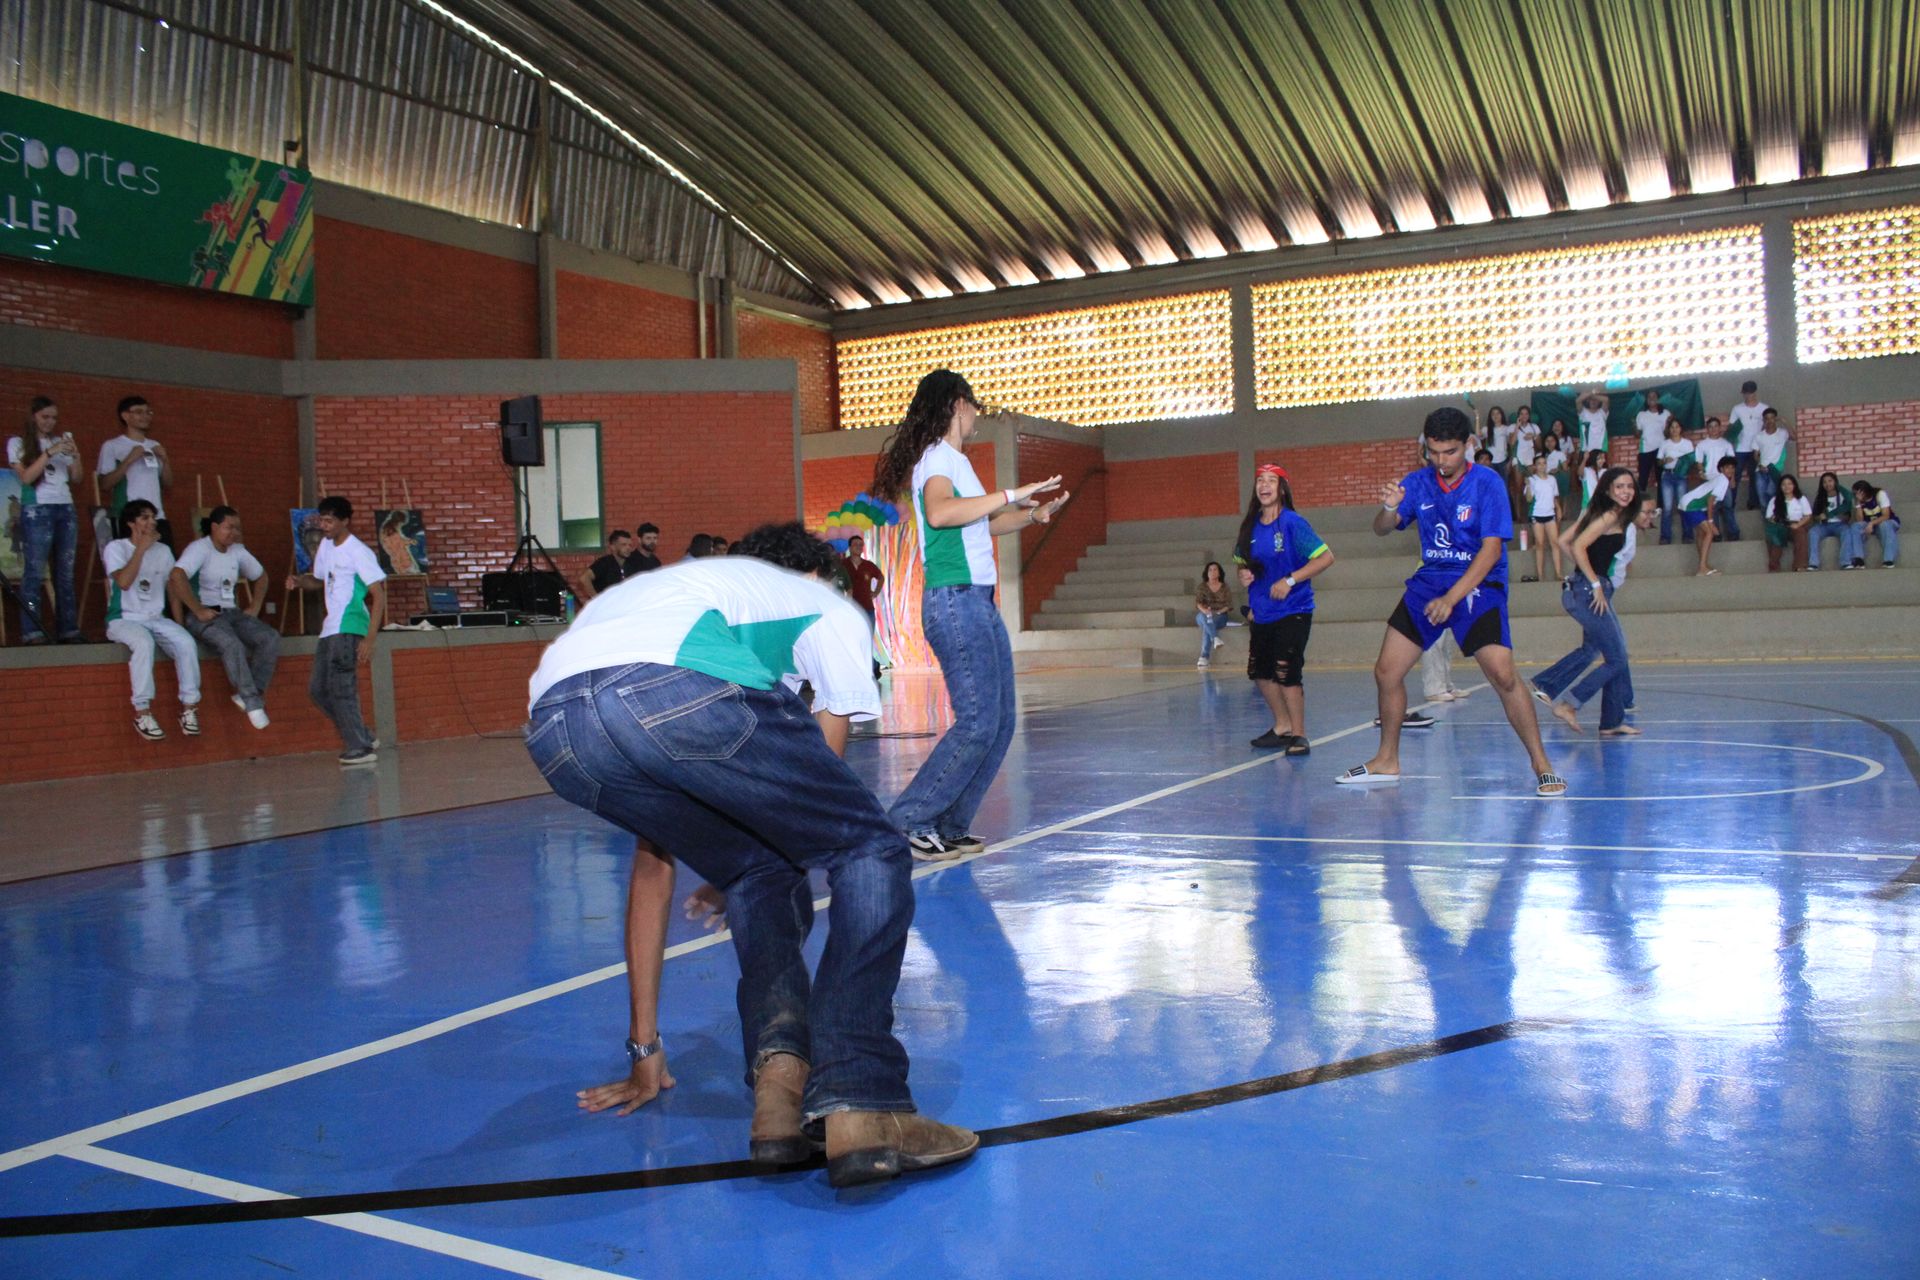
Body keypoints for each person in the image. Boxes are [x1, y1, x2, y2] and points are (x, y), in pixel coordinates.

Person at [527, 522, 978, 1188]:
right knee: (872, 847)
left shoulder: (684, 598)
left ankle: (778, 1094)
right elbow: (822, 796)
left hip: (557, 728)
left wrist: (645, 1049)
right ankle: (861, 1098)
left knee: (757, 871)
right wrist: (782, 837)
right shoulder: (828, 604)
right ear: (816, 574)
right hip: (671, 688)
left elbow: (653, 874)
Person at [872, 369, 1066, 861]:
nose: (978, 414)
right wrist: (1010, 493)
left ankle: (950, 823)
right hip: (956, 602)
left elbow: (980, 522)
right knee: (978, 720)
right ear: (959, 404)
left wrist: (1030, 514)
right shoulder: (939, 459)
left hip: (976, 601)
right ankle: (910, 820)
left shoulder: (955, 461)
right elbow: (940, 513)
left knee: (999, 721)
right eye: (975, 405)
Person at [1339, 407, 1563, 796]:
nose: (1441, 461)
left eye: (1450, 452)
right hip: (1429, 583)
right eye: (1434, 452)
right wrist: (1390, 507)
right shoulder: (1418, 482)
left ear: (1469, 446)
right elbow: (1381, 529)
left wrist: (1451, 599)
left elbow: (1492, 550)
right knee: (1386, 672)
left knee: (1504, 675)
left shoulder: (1488, 484)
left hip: (1478, 585)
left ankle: (1542, 763)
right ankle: (1387, 760)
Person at [1529, 469, 1642, 737]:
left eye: (1629, 486)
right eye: (1619, 487)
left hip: (1591, 586)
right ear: (1607, 490)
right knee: (1617, 658)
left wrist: (1584, 573)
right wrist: (1592, 582)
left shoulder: (1607, 514)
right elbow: (1578, 546)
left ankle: (1610, 721)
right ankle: (1569, 704)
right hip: (1591, 591)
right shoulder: (1609, 516)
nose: (1626, 491)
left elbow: (1565, 541)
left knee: (1604, 652)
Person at [1234, 464, 1333, 752]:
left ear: (1282, 488)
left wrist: (1290, 580)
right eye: (1260, 481)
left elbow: (1325, 557)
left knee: (1286, 671)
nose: (1264, 485)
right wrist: (1244, 573)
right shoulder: (1250, 527)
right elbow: (1241, 560)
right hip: (1262, 611)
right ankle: (1282, 725)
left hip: (1294, 609)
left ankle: (1299, 734)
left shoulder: (1293, 523)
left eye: (1271, 480)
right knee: (1261, 673)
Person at [286, 496, 385, 765]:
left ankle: (359, 747)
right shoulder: (326, 547)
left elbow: (378, 594)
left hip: (349, 624)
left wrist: (370, 637)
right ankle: (361, 734)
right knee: (318, 689)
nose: (324, 526)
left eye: (330, 520)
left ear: (345, 521)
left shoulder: (358, 551)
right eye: (322, 520)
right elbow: (318, 581)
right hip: (330, 627)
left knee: (342, 688)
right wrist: (299, 581)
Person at [171, 505, 277, 728]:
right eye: (229, 528)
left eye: (237, 529)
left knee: (270, 637)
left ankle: (251, 693)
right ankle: (252, 703)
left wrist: (256, 605)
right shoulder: (200, 548)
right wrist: (197, 608)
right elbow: (177, 575)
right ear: (214, 527)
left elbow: (261, 576)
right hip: (206, 615)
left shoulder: (238, 551)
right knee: (232, 644)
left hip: (233, 613)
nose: (234, 533)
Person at [103, 499, 201, 740]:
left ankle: (189, 708)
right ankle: (142, 711)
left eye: (153, 517)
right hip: (124, 618)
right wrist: (141, 549)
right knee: (144, 643)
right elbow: (124, 582)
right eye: (144, 518)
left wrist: (177, 623)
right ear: (130, 523)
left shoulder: (164, 551)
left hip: (156, 617)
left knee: (186, 643)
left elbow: (172, 589)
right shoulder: (116, 548)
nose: (152, 522)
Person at [6, 396, 85, 643]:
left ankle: (68, 629)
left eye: (54, 418)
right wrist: (49, 452)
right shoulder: (18, 443)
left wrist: (75, 454)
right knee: (35, 570)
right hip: (37, 508)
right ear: (33, 417)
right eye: (45, 417)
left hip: (65, 507)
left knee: (66, 571)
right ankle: (32, 630)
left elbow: (78, 478)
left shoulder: (59, 442)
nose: (50, 422)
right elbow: (27, 477)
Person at [95, 395, 174, 546]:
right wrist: (129, 460)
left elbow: (168, 483)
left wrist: (165, 459)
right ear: (125, 416)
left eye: (148, 412)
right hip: (129, 517)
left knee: (164, 562)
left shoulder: (155, 445)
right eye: (139, 412)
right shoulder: (112, 446)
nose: (145, 416)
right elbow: (105, 484)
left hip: (157, 516)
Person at [1678, 458, 1733, 576]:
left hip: (1688, 503)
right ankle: (1702, 568)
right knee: (1709, 533)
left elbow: (1705, 478)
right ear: (1722, 469)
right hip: (1692, 505)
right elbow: (1710, 500)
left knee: (1701, 533)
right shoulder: (1723, 480)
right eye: (1727, 467)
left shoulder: (1719, 477)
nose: (1731, 470)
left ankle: (1703, 565)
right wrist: (1711, 521)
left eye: (1732, 467)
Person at [1692, 416, 1738, 541]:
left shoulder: (1726, 444)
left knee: (1728, 507)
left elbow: (1732, 464)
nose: (1713, 429)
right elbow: (1699, 462)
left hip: (1724, 480)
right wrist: (1701, 472)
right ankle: (1716, 535)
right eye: (1710, 427)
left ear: (1720, 428)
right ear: (1707, 429)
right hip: (1709, 480)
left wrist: (1732, 479)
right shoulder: (1702, 445)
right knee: (1713, 508)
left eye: (1715, 426)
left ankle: (1733, 534)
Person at [574, 529, 646, 603]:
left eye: (630, 545)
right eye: (623, 545)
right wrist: (597, 600)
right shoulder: (604, 563)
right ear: (613, 547)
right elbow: (584, 579)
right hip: (607, 609)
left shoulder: (633, 564)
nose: (628, 548)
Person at [1522, 453, 1562, 583]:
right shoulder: (1532, 480)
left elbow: (1554, 497)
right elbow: (1528, 499)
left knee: (1555, 543)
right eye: (1539, 464)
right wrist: (1528, 485)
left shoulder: (1552, 479)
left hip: (1550, 513)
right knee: (1540, 544)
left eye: (1544, 463)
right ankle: (1540, 575)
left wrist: (1558, 509)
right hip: (1537, 514)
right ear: (1535, 466)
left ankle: (1558, 573)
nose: (1542, 466)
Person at [1728, 381, 1768, 510]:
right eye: (1745, 393)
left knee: (1754, 477)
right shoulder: (1737, 409)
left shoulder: (1764, 408)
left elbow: (1766, 428)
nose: (1747, 396)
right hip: (1740, 449)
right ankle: (1731, 504)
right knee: (1735, 477)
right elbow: (1731, 427)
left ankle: (1753, 504)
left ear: (1754, 393)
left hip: (1756, 449)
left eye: (1750, 393)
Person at [1654, 418, 1694, 545]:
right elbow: (1658, 461)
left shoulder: (1687, 443)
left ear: (1681, 429)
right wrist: (1665, 461)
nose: (1674, 429)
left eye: (1677, 427)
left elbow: (1691, 460)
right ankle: (1665, 536)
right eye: (1672, 427)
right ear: (1668, 430)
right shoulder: (1665, 444)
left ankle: (1688, 535)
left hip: (1681, 476)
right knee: (1667, 508)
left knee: (1683, 505)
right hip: (1667, 476)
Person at [1751, 408, 1795, 517]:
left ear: (1775, 419)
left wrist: (1785, 421)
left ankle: (1775, 518)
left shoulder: (1782, 433)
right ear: (1764, 420)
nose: (1769, 421)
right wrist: (1759, 464)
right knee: (1762, 498)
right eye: (1766, 419)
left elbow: (1794, 437)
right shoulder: (1759, 436)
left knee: (1771, 494)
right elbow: (1755, 455)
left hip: (1775, 470)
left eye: (1772, 418)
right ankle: (1767, 522)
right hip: (1761, 470)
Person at [1846, 481, 1900, 568]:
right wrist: (1858, 504)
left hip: (1887, 522)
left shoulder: (1880, 494)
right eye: (1855, 494)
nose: (1857, 495)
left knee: (1885, 525)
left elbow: (1886, 515)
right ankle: (1859, 559)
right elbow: (1860, 520)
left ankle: (1888, 560)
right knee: (1855, 527)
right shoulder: (1857, 500)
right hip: (1869, 524)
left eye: (1858, 493)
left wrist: (1872, 523)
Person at [1766, 474, 1813, 572]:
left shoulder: (1801, 499)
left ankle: (1800, 565)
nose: (1787, 486)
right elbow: (1769, 517)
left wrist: (1797, 525)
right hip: (1780, 525)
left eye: (1789, 484)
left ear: (1794, 485)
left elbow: (1807, 515)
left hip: (1797, 524)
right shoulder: (1774, 500)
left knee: (1801, 535)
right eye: (1784, 484)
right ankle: (1774, 567)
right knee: (1775, 536)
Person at [1807, 472, 1853, 570]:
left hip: (1840, 525)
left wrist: (1842, 516)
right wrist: (1820, 517)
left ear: (1835, 482)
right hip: (1824, 525)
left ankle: (1846, 562)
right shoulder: (1820, 497)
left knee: (1847, 531)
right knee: (1813, 532)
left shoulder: (1843, 495)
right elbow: (1814, 516)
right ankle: (1813, 563)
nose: (1827, 484)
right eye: (1824, 482)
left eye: (1830, 481)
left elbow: (1849, 515)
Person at [1194, 561, 1232, 668]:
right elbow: (1198, 603)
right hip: (1204, 614)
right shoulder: (1202, 587)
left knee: (1208, 624)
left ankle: (1204, 657)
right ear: (1207, 573)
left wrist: (1218, 612)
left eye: (1215, 569)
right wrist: (1205, 611)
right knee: (1203, 618)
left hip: (1220, 616)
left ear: (1219, 573)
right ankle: (1215, 638)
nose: (1212, 572)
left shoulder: (1225, 587)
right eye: (1210, 570)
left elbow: (1229, 605)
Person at [1634, 388, 1672, 495]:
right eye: (1649, 397)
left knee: (1661, 479)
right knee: (1643, 479)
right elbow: (1637, 434)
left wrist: (1669, 423)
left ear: (1658, 399)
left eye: (1654, 396)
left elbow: (1669, 434)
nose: (1652, 399)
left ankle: (1660, 507)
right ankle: (1639, 506)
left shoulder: (1665, 413)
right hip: (1645, 450)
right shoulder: (1641, 415)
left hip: (1661, 450)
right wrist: (1634, 426)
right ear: (1646, 400)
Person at [1577, 388, 1611, 456]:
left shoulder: (1602, 412)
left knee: (1602, 467)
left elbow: (1606, 400)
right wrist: (1592, 393)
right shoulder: (1583, 412)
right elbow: (1578, 401)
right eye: (1591, 400)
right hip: (1586, 450)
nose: (1593, 401)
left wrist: (1591, 395)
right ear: (1588, 401)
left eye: (1595, 400)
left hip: (1601, 449)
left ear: (1599, 401)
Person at [1484, 406, 1512, 473]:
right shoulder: (1486, 429)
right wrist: (1477, 417)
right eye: (1493, 414)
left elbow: (1511, 446)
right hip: (1490, 463)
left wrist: (1510, 461)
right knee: (1492, 483)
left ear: (1502, 415)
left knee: (1503, 483)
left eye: (1498, 413)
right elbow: (1478, 434)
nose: (1495, 416)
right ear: (1490, 417)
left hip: (1503, 461)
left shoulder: (1506, 428)